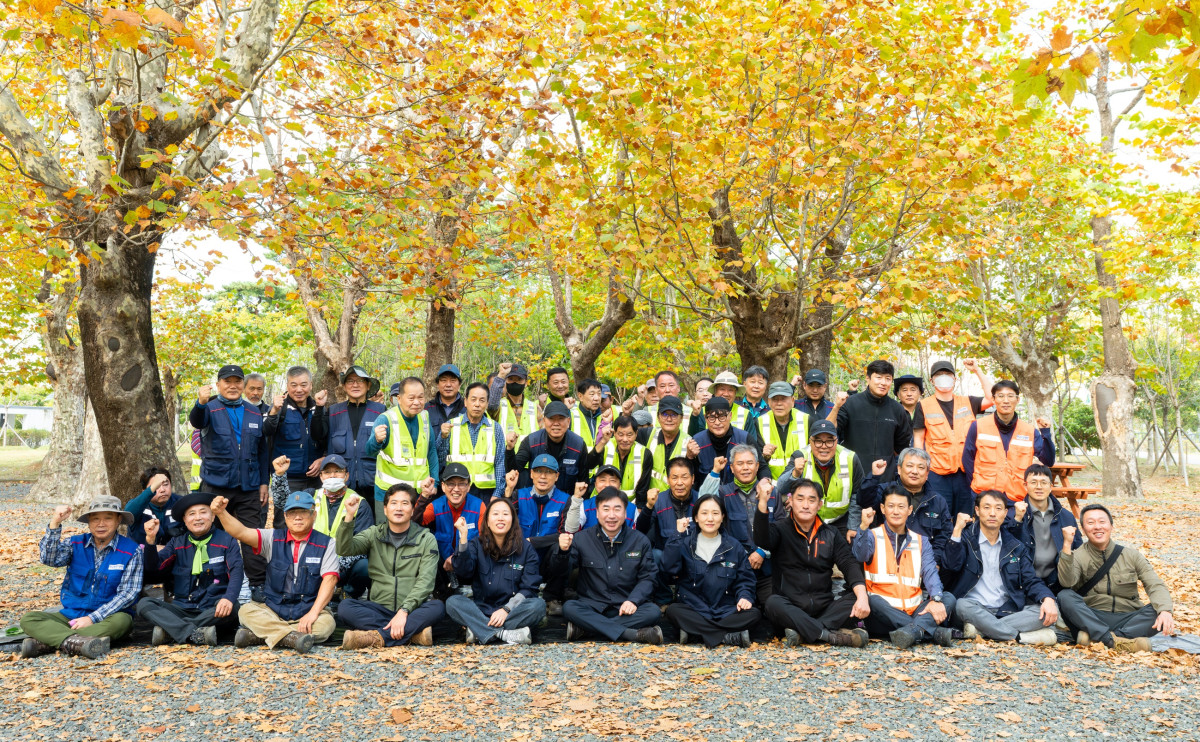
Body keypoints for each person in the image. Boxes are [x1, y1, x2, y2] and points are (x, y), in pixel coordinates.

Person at [212, 491, 338, 653]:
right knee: (245, 611)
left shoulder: (327, 543)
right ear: (285, 517)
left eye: (303, 512)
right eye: (292, 513)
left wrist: (313, 613)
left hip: (308, 611)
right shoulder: (272, 537)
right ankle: (292, 637)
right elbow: (241, 532)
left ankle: (259, 635)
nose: (297, 517)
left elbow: (330, 580)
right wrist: (221, 513)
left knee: (326, 625)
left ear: (313, 515)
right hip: (273, 610)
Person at [19, 497, 143, 659]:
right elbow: (49, 559)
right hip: (71, 616)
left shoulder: (131, 550)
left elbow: (128, 594)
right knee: (29, 619)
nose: (101, 524)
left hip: (108, 617)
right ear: (89, 521)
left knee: (123, 622)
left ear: (118, 520)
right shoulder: (75, 543)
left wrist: (92, 618)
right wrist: (55, 523)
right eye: (96, 518)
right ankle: (78, 642)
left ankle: (48, 641)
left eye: (108, 518)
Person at [754, 478, 871, 648]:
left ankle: (803, 632)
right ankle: (829, 636)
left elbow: (848, 563)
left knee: (860, 596)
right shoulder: (780, 529)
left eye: (812, 500)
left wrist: (862, 596)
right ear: (791, 501)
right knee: (772, 603)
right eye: (800, 499)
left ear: (820, 504)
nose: (806, 505)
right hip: (790, 608)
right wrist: (763, 501)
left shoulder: (830, 534)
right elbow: (762, 539)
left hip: (824, 609)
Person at [189, 364, 271, 589]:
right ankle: (214, 584)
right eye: (228, 382)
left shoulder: (254, 411)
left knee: (252, 536)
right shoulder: (209, 408)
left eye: (237, 382)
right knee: (214, 537)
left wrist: (264, 482)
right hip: (216, 486)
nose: (233, 386)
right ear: (218, 385)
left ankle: (258, 585)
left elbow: (262, 451)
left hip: (249, 486)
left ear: (243, 386)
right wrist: (201, 402)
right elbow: (196, 420)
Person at [943, 490, 1059, 645]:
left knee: (1045, 610)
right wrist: (956, 530)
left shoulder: (1015, 546)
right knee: (961, 605)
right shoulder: (966, 538)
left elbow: (1030, 579)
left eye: (998, 509)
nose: (992, 513)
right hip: (973, 608)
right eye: (987, 507)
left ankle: (982, 630)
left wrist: (1048, 598)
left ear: (1005, 513)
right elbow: (951, 565)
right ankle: (1020, 637)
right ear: (977, 510)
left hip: (1006, 611)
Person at [337, 485, 445, 649]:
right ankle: (414, 635)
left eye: (404, 503)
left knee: (437, 607)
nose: (399, 508)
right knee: (345, 607)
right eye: (394, 503)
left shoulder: (425, 538)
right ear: (385, 509)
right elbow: (344, 549)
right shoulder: (374, 534)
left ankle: (375, 637)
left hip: (412, 610)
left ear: (412, 509)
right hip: (379, 609)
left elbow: (426, 581)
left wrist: (404, 611)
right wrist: (349, 516)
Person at [550, 488, 663, 644]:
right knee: (570, 607)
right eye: (606, 509)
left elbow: (648, 577)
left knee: (653, 611)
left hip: (625, 607)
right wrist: (562, 552)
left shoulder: (640, 541)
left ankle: (586, 630)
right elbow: (561, 571)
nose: (611, 515)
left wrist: (634, 600)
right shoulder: (582, 539)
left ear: (625, 513)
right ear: (597, 513)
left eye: (617, 509)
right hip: (592, 606)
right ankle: (630, 634)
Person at [1057, 504, 1175, 652]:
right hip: (1093, 616)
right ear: (1083, 529)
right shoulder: (1078, 555)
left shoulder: (1132, 555)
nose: (1097, 527)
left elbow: (1155, 584)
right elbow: (1066, 582)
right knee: (1064, 596)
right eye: (1091, 523)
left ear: (1111, 526)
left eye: (1102, 522)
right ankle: (1120, 641)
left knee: (1158, 608)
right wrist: (1067, 545)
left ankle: (1102, 638)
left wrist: (1165, 611)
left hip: (1128, 618)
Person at [852, 486, 957, 648]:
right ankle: (927, 632)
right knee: (872, 600)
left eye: (901, 507)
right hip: (882, 615)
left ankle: (912, 631)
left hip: (914, 609)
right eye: (891, 506)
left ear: (909, 510)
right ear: (882, 509)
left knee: (948, 597)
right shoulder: (872, 535)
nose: (896, 511)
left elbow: (930, 572)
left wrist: (935, 599)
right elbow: (860, 555)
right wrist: (863, 527)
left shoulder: (920, 540)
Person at [137, 492, 243, 646]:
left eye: (203, 512)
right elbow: (154, 569)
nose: (198, 518)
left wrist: (228, 598)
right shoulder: (177, 543)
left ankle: (171, 630)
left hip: (213, 608)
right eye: (191, 514)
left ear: (213, 516)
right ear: (185, 521)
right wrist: (150, 541)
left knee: (234, 607)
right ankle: (195, 633)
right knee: (144, 604)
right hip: (182, 608)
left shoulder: (227, 540)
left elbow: (236, 571)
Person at [661, 494, 760, 648]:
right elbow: (669, 568)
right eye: (704, 513)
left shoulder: (734, 546)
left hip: (726, 610)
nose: (710, 518)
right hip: (695, 608)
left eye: (715, 513)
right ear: (696, 517)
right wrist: (677, 535)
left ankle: (697, 633)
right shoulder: (685, 544)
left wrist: (745, 597)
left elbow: (745, 579)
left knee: (754, 614)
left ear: (722, 517)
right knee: (673, 611)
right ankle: (726, 636)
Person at [270, 454, 373, 598]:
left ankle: (346, 595)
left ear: (346, 475)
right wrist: (280, 476)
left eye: (338, 471)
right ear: (321, 476)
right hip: (312, 561)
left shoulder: (359, 503)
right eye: (328, 472)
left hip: (343, 566)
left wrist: (333, 565)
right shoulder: (311, 496)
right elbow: (285, 504)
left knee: (364, 565)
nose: (332, 476)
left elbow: (363, 546)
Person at [447, 498, 546, 645]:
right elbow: (463, 572)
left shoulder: (526, 548)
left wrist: (506, 609)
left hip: (513, 611)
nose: (500, 518)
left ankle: (480, 631)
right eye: (495, 514)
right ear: (487, 521)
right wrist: (463, 539)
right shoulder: (476, 544)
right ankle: (503, 634)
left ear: (513, 520)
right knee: (452, 602)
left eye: (505, 514)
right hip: (481, 611)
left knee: (538, 606)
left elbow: (529, 588)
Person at [915, 359, 994, 516]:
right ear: (931, 380)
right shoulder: (923, 406)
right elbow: (918, 440)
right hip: (937, 474)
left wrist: (977, 370)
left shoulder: (968, 402)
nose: (944, 377)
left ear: (955, 379)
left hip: (966, 473)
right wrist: (921, 469)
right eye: (939, 375)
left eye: (948, 374)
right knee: (938, 518)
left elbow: (992, 398)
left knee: (965, 518)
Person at [857, 448, 952, 570]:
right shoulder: (885, 491)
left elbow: (943, 536)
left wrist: (934, 562)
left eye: (921, 467)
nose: (915, 471)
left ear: (927, 473)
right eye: (910, 466)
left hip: (923, 566)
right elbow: (863, 501)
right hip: (884, 562)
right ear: (899, 469)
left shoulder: (937, 501)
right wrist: (874, 477)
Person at [961, 380, 1055, 503]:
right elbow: (967, 459)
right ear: (993, 400)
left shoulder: (1029, 431)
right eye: (1000, 396)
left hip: (1017, 498)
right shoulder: (978, 426)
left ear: (1017, 400)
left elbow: (1048, 460)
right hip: (985, 497)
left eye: (1010, 396)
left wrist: (1046, 434)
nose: (1006, 400)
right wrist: (976, 484)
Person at [699, 445, 772, 603]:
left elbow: (780, 526)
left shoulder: (771, 492)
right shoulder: (723, 493)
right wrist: (715, 471)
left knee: (771, 606)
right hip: (734, 568)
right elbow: (703, 501)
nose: (745, 468)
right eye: (739, 464)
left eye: (750, 463)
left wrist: (762, 551)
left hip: (767, 567)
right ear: (731, 468)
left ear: (758, 466)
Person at [367, 376, 441, 523]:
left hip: (418, 494)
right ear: (399, 399)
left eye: (421, 397)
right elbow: (370, 451)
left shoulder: (425, 417)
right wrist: (376, 440)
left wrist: (435, 482)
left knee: (416, 538)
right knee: (386, 539)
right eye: (411, 398)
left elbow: (431, 451)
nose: (417, 402)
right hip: (389, 495)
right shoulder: (385, 419)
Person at [507, 454, 572, 614]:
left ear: (557, 476)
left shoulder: (565, 500)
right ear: (531, 474)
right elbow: (504, 524)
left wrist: (532, 541)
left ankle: (551, 597)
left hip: (547, 560)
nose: (543, 476)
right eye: (538, 471)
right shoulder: (518, 495)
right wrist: (508, 490)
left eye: (549, 472)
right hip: (522, 557)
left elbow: (563, 535)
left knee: (562, 548)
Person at [1003, 464, 1082, 594]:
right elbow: (1006, 548)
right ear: (1025, 486)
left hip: (1058, 581)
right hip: (1024, 582)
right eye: (1033, 482)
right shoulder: (1012, 515)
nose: (1039, 487)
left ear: (1051, 487)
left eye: (1043, 482)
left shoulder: (1065, 516)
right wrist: (1017, 520)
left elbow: (1078, 549)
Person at [313, 365, 387, 498]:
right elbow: (318, 435)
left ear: (368, 385)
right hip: (340, 481)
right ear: (344, 386)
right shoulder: (334, 411)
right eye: (350, 381)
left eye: (360, 381)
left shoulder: (380, 411)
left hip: (373, 481)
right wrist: (319, 407)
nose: (355, 385)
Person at [836, 360, 913, 482]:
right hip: (852, 475)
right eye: (878, 378)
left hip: (885, 478)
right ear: (868, 378)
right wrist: (836, 407)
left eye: (888, 379)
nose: (883, 383)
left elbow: (902, 446)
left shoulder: (897, 409)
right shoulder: (851, 403)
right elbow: (833, 430)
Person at [419, 463, 487, 596]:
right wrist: (424, 497)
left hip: (469, 565)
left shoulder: (479, 506)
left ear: (468, 486)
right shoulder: (436, 506)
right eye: (450, 484)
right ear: (443, 486)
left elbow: (484, 540)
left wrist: (456, 557)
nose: (456, 489)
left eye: (461, 483)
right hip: (443, 568)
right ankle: (440, 595)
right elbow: (413, 525)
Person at [264, 365, 327, 497]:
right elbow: (266, 431)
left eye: (303, 385)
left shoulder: (319, 408)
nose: (299, 390)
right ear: (287, 386)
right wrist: (274, 411)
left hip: (316, 479)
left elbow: (327, 438)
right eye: (294, 385)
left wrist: (323, 459)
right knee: (284, 517)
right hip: (287, 478)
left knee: (315, 516)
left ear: (310, 385)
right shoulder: (279, 408)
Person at [439, 382, 506, 501]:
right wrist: (443, 437)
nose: (477, 404)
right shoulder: (451, 425)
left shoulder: (495, 428)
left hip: (486, 492)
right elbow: (440, 457)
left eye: (482, 400)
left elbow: (500, 462)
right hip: (457, 489)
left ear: (487, 403)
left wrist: (497, 493)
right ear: (465, 402)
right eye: (473, 399)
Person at [513, 401, 596, 495]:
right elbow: (513, 470)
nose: (556, 423)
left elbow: (583, 481)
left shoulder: (578, 444)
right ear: (544, 421)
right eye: (551, 419)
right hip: (536, 500)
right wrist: (509, 449)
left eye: (561, 419)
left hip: (566, 503)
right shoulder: (532, 441)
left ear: (568, 421)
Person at [798, 419, 863, 540]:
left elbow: (857, 495)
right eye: (818, 441)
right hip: (807, 521)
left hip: (841, 521)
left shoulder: (850, 458)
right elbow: (783, 487)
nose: (824, 446)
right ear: (810, 442)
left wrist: (853, 527)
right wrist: (795, 473)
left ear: (837, 441)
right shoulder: (800, 456)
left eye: (829, 441)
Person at [748, 381, 810, 479]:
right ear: (769, 402)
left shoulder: (807, 420)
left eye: (784, 399)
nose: (779, 403)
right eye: (775, 399)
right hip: (772, 487)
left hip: (802, 484)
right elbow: (755, 459)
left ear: (793, 401)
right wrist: (765, 455)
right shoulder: (759, 422)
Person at [692, 397, 751, 484]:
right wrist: (689, 457)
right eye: (712, 418)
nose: (717, 422)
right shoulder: (698, 441)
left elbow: (761, 466)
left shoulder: (744, 438)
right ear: (705, 418)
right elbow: (691, 475)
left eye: (722, 417)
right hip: (706, 495)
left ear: (730, 416)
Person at [563, 465, 639, 534]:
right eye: (602, 480)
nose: (607, 485)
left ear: (620, 485)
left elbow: (635, 539)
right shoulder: (586, 505)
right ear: (595, 484)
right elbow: (570, 530)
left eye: (613, 481)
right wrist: (576, 498)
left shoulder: (632, 509)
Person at [488, 362, 540, 455]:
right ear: (505, 382)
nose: (514, 382)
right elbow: (491, 404)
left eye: (519, 379)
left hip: (529, 462)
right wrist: (501, 375)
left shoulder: (534, 407)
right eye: (511, 379)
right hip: (504, 459)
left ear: (526, 383)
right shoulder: (499, 405)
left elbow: (544, 435)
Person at [598, 415, 652, 505]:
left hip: (630, 506)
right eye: (621, 434)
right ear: (614, 433)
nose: (625, 439)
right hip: (603, 502)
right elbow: (589, 463)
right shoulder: (605, 447)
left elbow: (643, 489)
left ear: (636, 434)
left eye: (629, 435)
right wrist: (603, 441)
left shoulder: (644, 453)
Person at [645, 396, 693, 493]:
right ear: (658, 417)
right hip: (652, 500)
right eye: (665, 414)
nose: (669, 419)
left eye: (674, 415)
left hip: (677, 501)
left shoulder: (689, 442)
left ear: (681, 418)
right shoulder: (648, 434)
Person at [125, 466, 182, 546]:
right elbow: (128, 514)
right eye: (156, 486)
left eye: (166, 484)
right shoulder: (138, 505)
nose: (162, 490)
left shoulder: (180, 503)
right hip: (141, 555)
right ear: (145, 491)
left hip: (174, 554)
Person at [425, 363, 466, 433]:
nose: (448, 385)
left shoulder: (467, 407)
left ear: (459, 384)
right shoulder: (427, 409)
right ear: (438, 384)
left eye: (453, 381)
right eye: (444, 380)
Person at [570, 379, 605, 453]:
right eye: (592, 394)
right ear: (580, 396)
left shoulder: (604, 418)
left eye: (599, 394)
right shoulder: (571, 415)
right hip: (576, 462)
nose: (597, 398)